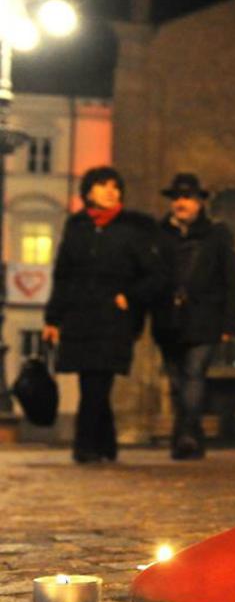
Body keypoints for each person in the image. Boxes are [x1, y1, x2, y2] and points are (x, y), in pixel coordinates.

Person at [42, 166, 165, 464]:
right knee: (92, 381)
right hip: (79, 316)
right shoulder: (77, 226)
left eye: (116, 186)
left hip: (114, 318)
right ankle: (106, 445)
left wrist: (130, 297)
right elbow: (63, 274)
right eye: (104, 186)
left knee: (97, 382)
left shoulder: (132, 229)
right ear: (89, 192)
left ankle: (83, 445)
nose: (112, 191)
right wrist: (52, 318)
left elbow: (155, 274)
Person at [150, 173, 235, 459]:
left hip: (205, 317)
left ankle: (187, 435)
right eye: (177, 198)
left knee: (193, 375)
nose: (181, 203)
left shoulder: (217, 234)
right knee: (178, 382)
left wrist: (230, 322)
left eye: (188, 198)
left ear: (200, 203)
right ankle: (190, 435)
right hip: (168, 318)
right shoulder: (158, 233)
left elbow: (232, 279)